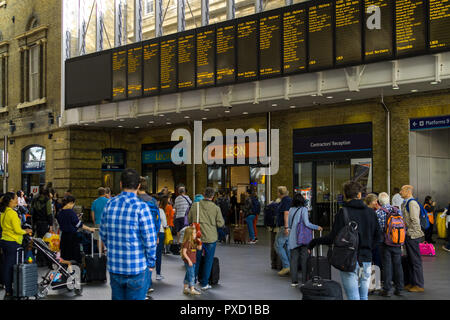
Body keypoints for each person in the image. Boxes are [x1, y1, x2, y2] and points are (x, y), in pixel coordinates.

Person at [308, 181, 381, 300]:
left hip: (348, 260)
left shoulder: (343, 213)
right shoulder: (371, 213)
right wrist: (368, 248)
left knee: (353, 296)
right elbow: (379, 237)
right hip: (366, 259)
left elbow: (332, 238)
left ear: (345, 195)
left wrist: (313, 242)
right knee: (363, 296)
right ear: (359, 195)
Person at [100, 168, 158, 300]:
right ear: (138, 186)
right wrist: (151, 263)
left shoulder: (109, 204)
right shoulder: (142, 207)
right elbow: (150, 240)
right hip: (136, 268)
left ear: (120, 184)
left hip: (115, 267)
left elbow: (103, 234)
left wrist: (114, 247)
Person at [188, 187, 224, 291]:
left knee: (195, 260)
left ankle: (192, 282)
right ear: (213, 196)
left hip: (197, 237)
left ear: (204, 194)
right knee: (208, 260)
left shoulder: (195, 206)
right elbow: (220, 223)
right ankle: (204, 283)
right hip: (210, 237)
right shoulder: (216, 208)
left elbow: (189, 219)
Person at [0, 192, 33, 300]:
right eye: (15, 198)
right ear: (10, 201)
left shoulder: (4, 212)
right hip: (12, 242)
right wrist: (26, 231)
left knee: (6, 265)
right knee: (9, 267)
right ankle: (9, 290)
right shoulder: (12, 213)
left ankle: (8, 289)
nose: (17, 200)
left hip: (5, 241)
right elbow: (17, 230)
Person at [288, 193, 322, 287]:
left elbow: (289, 224)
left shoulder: (290, 210)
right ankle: (304, 281)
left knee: (294, 260)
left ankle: (294, 281)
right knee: (304, 259)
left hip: (293, 238)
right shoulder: (304, 209)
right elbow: (307, 223)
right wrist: (316, 227)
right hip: (303, 237)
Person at [376, 192, 404, 297]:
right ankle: (399, 288)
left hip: (385, 243)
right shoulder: (397, 211)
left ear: (379, 202)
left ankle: (387, 289)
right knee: (398, 265)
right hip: (397, 242)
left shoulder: (378, 212)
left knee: (387, 265)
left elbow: (378, 229)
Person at [137, 177, 161, 296]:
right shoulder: (153, 201)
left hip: (138, 234)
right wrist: (156, 235)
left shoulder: (135, 200)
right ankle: (148, 284)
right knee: (149, 259)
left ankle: (141, 286)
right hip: (151, 234)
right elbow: (157, 221)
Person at [400, 185, 425, 293]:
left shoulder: (412, 203)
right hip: (408, 235)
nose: (400, 192)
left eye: (402, 190)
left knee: (415, 260)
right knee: (409, 260)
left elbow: (415, 221)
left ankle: (419, 285)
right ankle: (411, 282)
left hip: (413, 236)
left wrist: (410, 233)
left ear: (408, 191)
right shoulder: (405, 203)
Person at [57, 195, 96, 263]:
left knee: (65, 256)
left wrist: (75, 218)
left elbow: (66, 221)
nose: (73, 206)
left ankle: (66, 270)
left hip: (63, 237)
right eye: (73, 204)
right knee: (74, 257)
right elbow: (78, 224)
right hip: (72, 237)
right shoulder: (71, 212)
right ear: (70, 203)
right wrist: (89, 228)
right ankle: (75, 271)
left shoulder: (60, 212)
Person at [274, 186, 292, 277]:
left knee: (278, 245)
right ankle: (291, 266)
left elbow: (286, 213)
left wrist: (286, 227)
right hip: (288, 227)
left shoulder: (285, 201)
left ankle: (286, 266)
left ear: (280, 193)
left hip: (284, 227)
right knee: (287, 246)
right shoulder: (288, 200)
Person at [181, 226, 202, 295]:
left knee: (188, 274)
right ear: (190, 235)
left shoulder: (194, 242)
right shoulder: (187, 243)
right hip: (189, 261)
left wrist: (199, 242)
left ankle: (185, 288)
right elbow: (184, 253)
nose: (196, 234)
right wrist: (189, 260)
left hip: (193, 261)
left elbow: (199, 249)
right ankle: (192, 289)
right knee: (192, 275)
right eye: (194, 233)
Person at [91, 187, 110, 252]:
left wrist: (94, 222)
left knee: (99, 239)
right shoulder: (108, 201)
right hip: (107, 222)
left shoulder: (94, 202)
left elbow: (92, 214)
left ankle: (100, 254)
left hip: (98, 222)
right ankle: (106, 253)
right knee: (107, 238)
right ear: (105, 193)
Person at [155, 196, 168, 281]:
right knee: (158, 254)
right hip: (160, 233)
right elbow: (164, 224)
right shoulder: (160, 211)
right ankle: (158, 273)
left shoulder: (146, 210)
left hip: (150, 234)